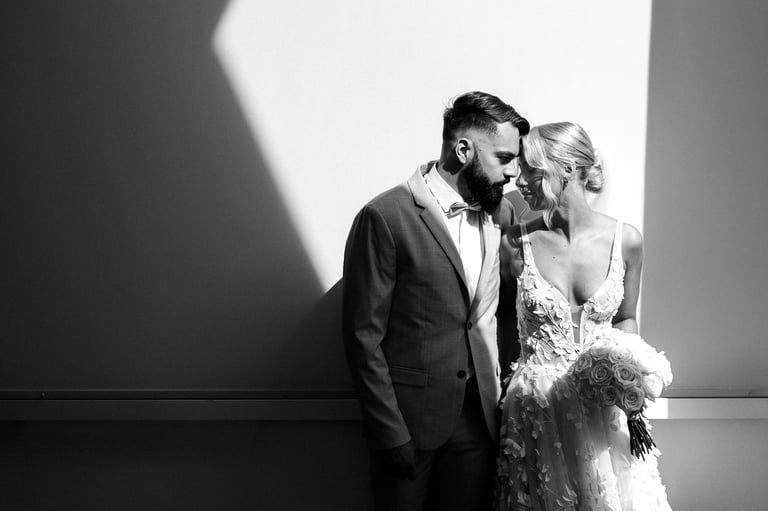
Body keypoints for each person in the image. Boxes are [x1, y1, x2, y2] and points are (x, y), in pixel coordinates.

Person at [342, 91, 529, 511]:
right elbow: (363, 337)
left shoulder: (501, 215)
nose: (513, 172)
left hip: (481, 423)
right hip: (409, 423)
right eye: (503, 158)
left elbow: (504, 314)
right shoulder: (384, 216)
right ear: (463, 150)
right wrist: (389, 430)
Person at [496, 121, 671, 510]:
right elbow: (503, 324)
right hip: (536, 411)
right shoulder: (514, 243)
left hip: (604, 410)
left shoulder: (626, 241)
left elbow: (625, 318)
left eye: (530, 169)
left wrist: (628, 376)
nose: (518, 180)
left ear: (567, 170)